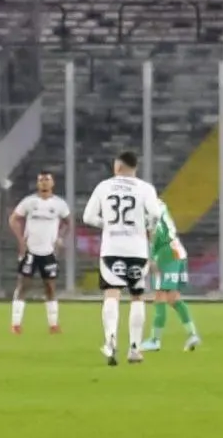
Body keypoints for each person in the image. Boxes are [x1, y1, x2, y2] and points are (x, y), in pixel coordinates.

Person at [82, 150, 162, 366]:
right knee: (137, 296)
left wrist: (107, 224)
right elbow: (155, 214)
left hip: (112, 248)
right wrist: (147, 228)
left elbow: (87, 217)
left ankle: (110, 341)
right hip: (136, 249)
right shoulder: (145, 188)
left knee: (111, 294)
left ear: (117, 166)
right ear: (135, 167)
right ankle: (135, 349)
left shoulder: (104, 186)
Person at [8, 172, 74, 335]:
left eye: (47, 179)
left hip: (48, 252)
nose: (44, 183)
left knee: (50, 287)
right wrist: (21, 240)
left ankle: (53, 324)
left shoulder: (59, 204)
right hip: (30, 250)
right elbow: (13, 219)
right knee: (23, 285)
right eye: (41, 180)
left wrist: (60, 238)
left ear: (53, 183)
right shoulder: (30, 202)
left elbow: (69, 222)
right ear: (37, 184)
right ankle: (15, 324)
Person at [142, 195, 199, 353]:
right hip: (177, 250)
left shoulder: (147, 210)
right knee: (173, 297)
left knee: (160, 295)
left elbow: (156, 232)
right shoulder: (159, 205)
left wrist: (152, 257)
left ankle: (155, 340)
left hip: (166, 253)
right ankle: (192, 334)